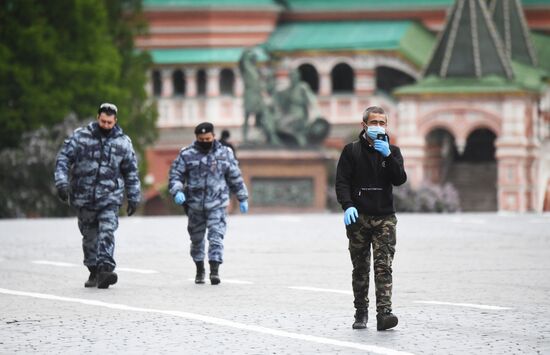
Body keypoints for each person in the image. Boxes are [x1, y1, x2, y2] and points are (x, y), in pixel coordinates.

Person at [335, 106, 407, 330]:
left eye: (382, 123)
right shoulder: (352, 151)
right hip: (359, 218)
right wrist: (347, 206)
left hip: (384, 217)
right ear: (364, 125)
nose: (378, 127)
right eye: (374, 122)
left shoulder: (392, 151)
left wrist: (387, 156)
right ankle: (360, 312)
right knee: (360, 268)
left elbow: (399, 179)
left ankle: (384, 313)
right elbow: (342, 182)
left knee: (383, 266)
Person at [54, 103, 141, 289]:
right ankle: (93, 270)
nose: (106, 125)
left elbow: (131, 172)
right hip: (83, 197)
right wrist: (62, 183)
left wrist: (133, 196)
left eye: (110, 122)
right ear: (97, 118)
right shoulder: (80, 137)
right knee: (89, 237)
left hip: (110, 197)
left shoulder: (123, 143)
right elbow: (63, 159)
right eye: (103, 121)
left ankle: (105, 269)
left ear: (115, 121)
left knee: (107, 231)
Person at [169, 122, 249, 285]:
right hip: (195, 205)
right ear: (197, 138)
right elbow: (176, 175)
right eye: (201, 139)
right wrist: (177, 191)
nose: (205, 141)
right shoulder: (187, 154)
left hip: (217, 204)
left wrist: (242, 197)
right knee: (197, 240)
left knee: (216, 237)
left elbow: (235, 176)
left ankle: (214, 270)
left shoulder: (224, 153)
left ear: (213, 136)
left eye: (208, 138)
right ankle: (199, 269)